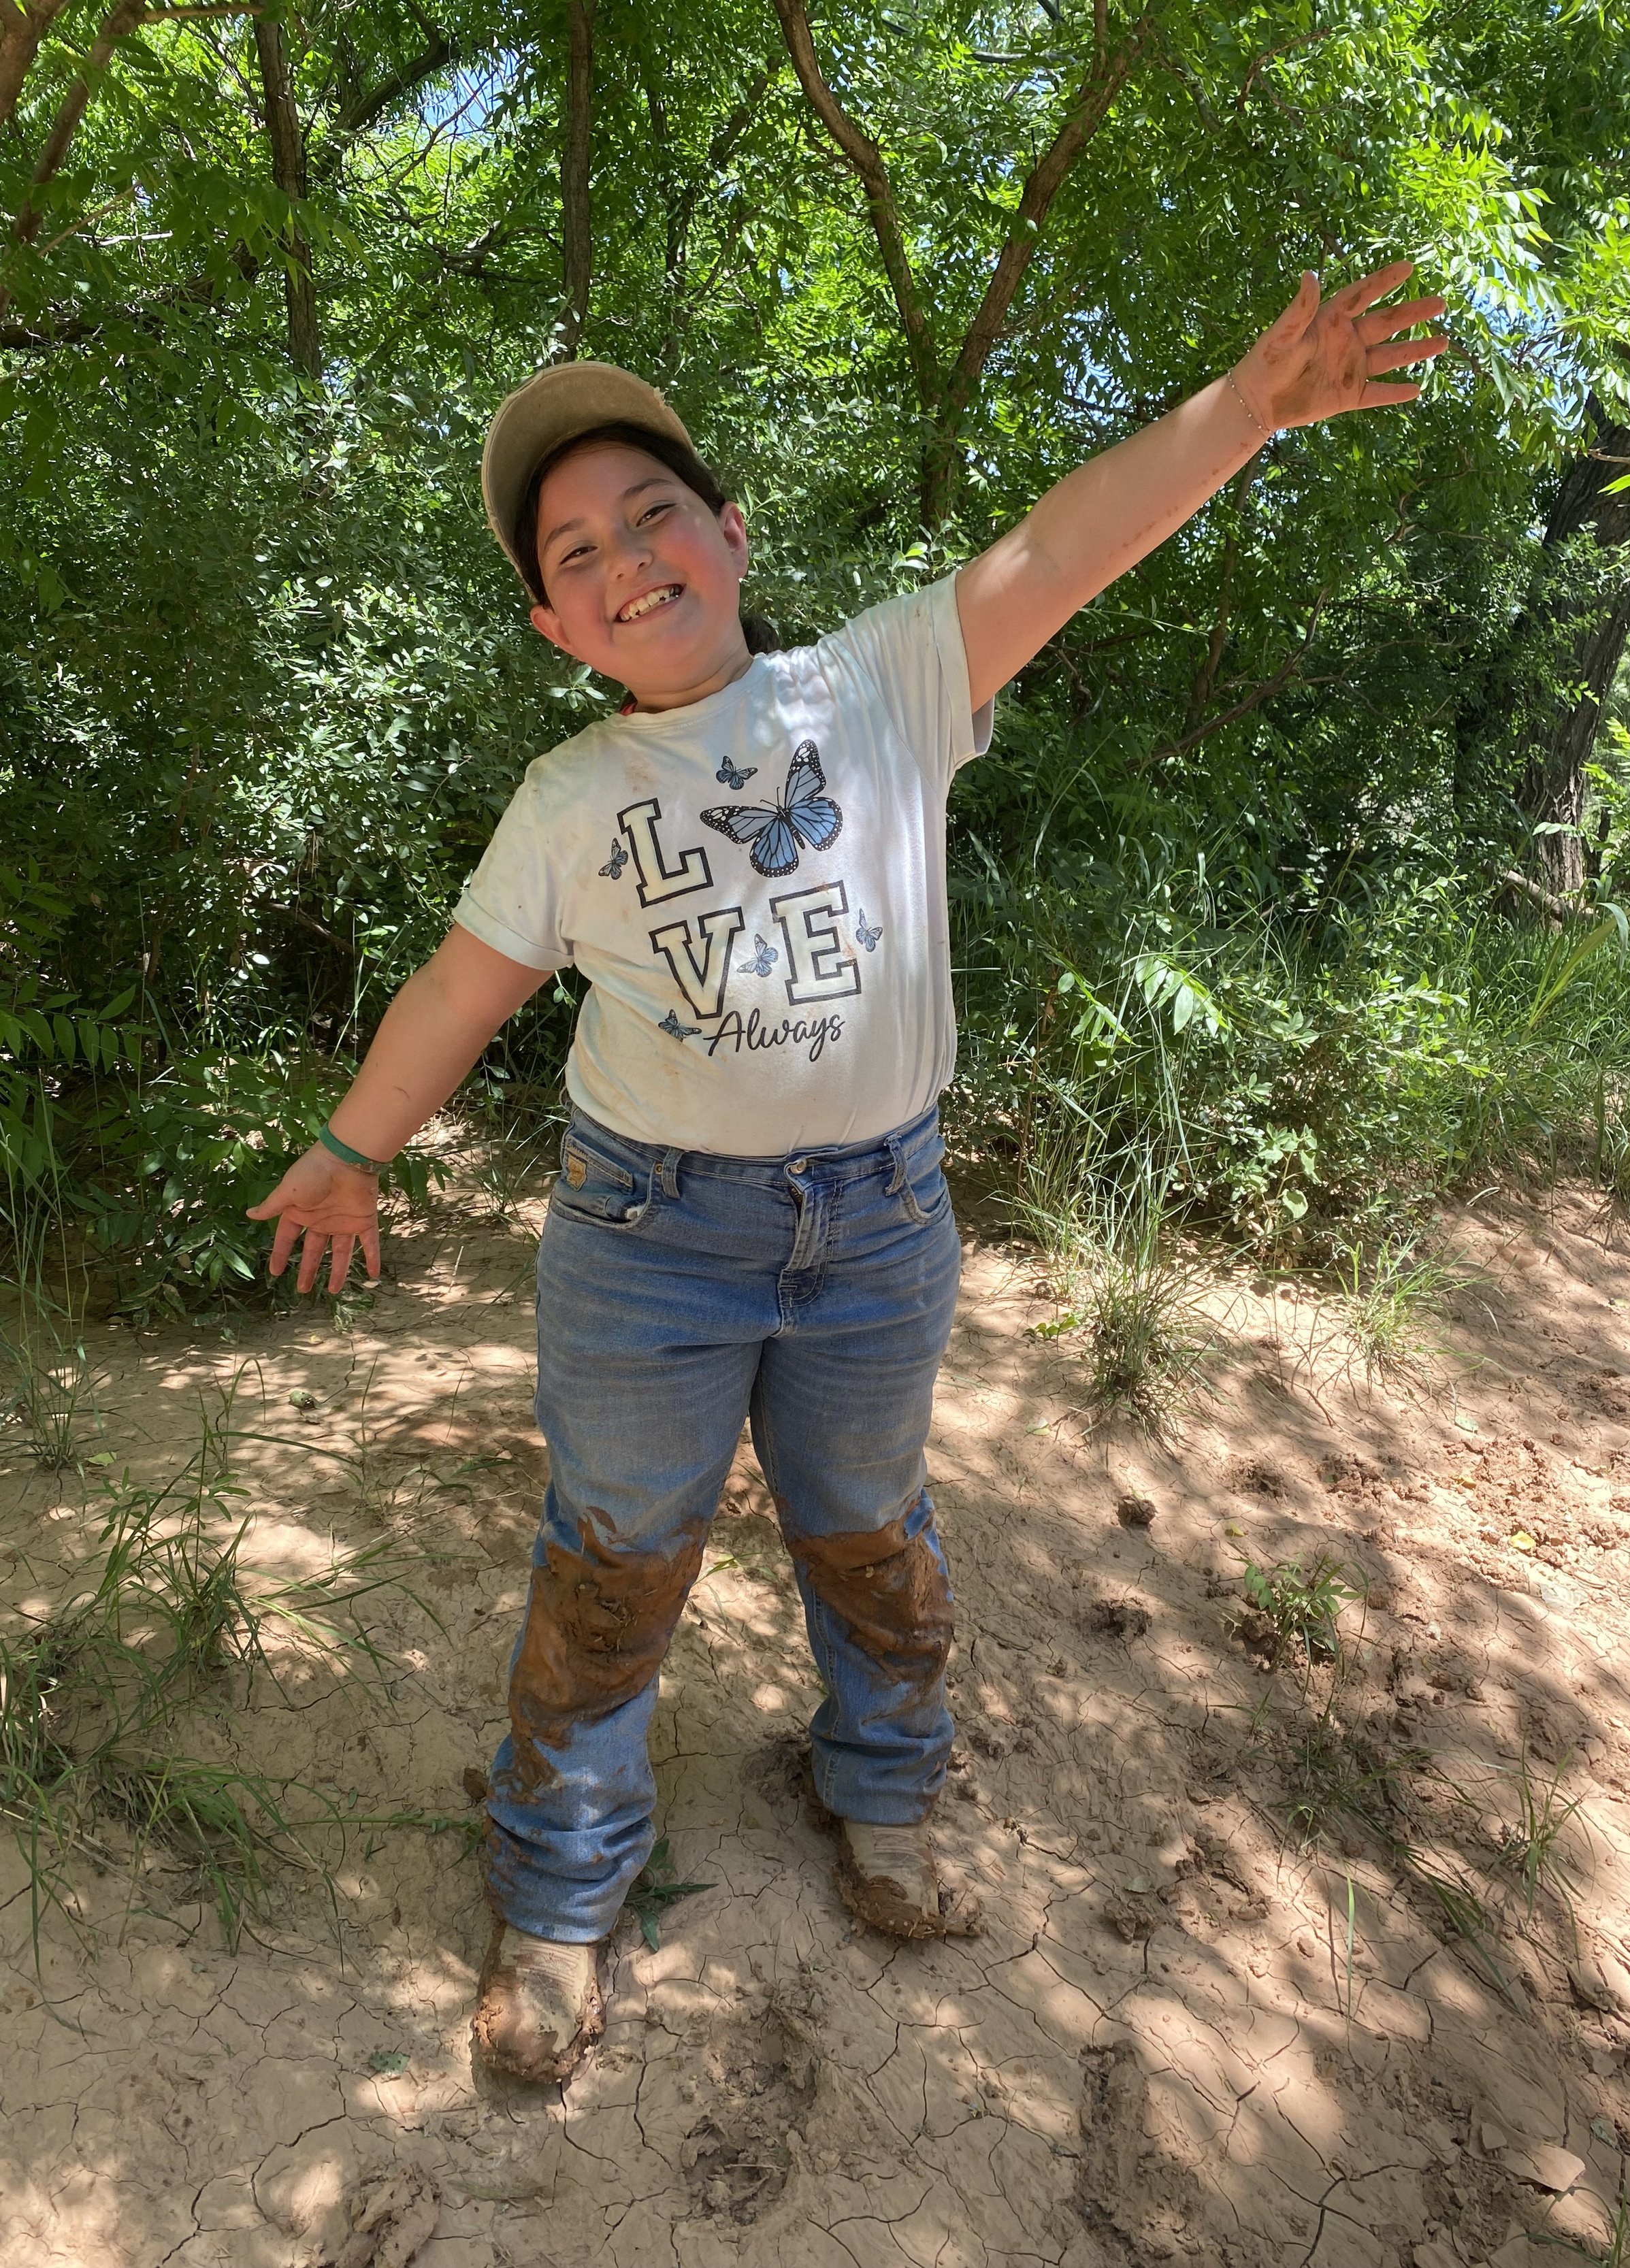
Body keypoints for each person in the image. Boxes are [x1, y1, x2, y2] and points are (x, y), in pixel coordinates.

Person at [248, 264, 1446, 2083]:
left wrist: (1248, 407)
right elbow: (458, 991)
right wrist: (350, 1152)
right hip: (646, 1242)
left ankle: (880, 1798)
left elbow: (1056, 550)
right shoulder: (568, 800)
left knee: (868, 1537)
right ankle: (564, 1892)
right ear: (551, 624)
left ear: (729, 533)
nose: (622, 553)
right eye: (573, 551)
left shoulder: (879, 682)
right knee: (613, 1557)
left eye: (651, 511)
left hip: (877, 1228)